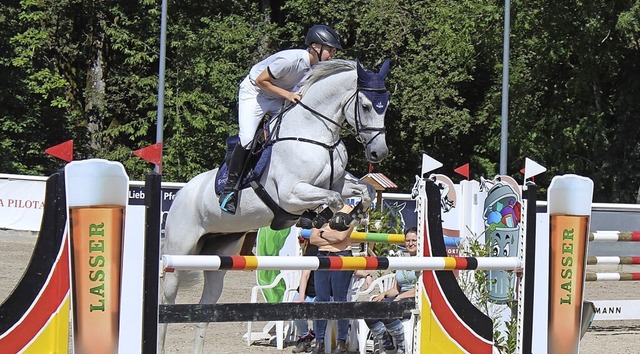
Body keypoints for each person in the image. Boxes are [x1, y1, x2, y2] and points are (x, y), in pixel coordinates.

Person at [219, 24, 343, 214]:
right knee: (247, 139)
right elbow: (261, 81)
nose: (332, 54)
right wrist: (286, 95)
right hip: (255, 94)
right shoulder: (290, 60)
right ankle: (230, 189)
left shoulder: (315, 67)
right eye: (330, 49)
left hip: (277, 96)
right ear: (316, 47)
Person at [309, 205, 356, 354]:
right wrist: (332, 239)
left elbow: (341, 237)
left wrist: (322, 234)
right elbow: (312, 239)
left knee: (339, 299)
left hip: (342, 256)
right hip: (323, 256)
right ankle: (319, 340)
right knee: (320, 299)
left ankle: (342, 340)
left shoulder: (350, 211)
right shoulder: (325, 211)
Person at [365, 227, 418, 354]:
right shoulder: (403, 262)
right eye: (408, 240)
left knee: (388, 309)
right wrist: (384, 294)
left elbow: (421, 289)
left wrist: (401, 297)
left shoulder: (426, 262)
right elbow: (396, 289)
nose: (410, 243)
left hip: (414, 299)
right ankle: (387, 345)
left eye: (414, 240)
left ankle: (401, 346)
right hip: (399, 298)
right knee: (368, 310)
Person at [292, 240, 319, 353]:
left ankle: (316, 337)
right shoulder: (312, 250)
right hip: (309, 291)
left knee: (323, 311)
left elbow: (354, 269)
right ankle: (304, 336)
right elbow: (305, 275)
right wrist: (301, 297)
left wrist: (367, 275)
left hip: (324, 293)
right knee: (295, 306)